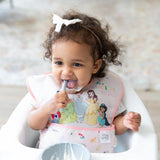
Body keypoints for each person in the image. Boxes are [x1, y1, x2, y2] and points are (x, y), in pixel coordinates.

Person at [27, 11, 141, 153]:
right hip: (55, 155)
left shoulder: (107, 89)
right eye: (58, 62)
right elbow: (33, 124)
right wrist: (49, 108)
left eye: (76, 64)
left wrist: (125, 122)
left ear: (95, 66)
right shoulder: (48, 88)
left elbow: (113, 126)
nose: (66, 71)